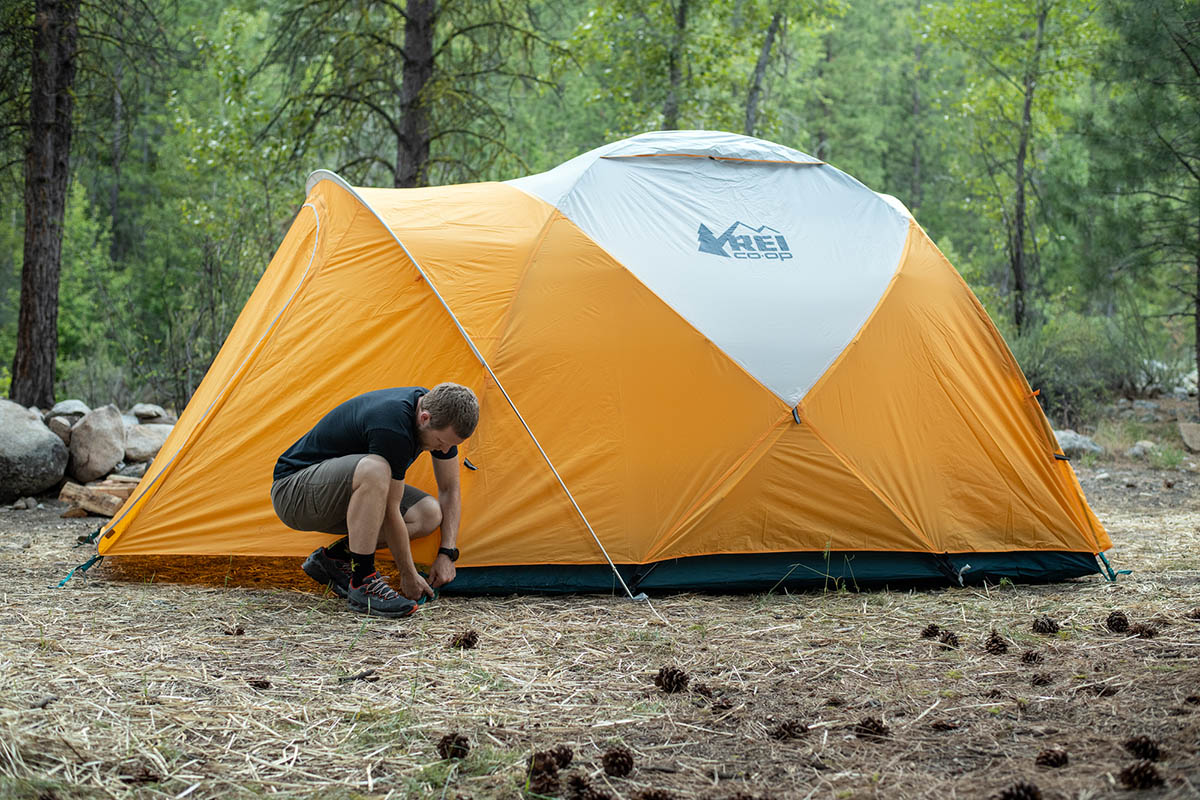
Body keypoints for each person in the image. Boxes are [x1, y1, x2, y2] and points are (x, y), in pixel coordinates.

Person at [270, 383, 479, 618]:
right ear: (424, 418)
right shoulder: (392, 425)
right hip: (294, 493)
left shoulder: (437, 411)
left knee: (428, 513)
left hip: (340, 496)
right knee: (376, 470)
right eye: (441, 442)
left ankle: (337, 559)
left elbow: (450, 488)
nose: (445, 450)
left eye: (452, 445)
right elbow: (391, 510)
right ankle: (363, 582)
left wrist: (447, 553)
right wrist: (408, 574)